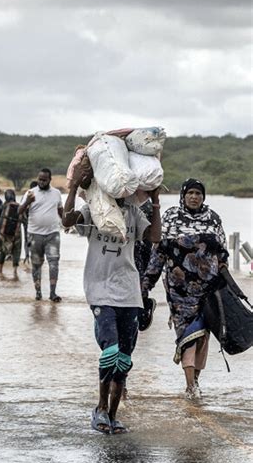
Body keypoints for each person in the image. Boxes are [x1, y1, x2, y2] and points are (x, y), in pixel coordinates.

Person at [62, 163, 161, 434]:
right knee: (110, 352)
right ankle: (100, 409)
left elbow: (154, 236)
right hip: (99, 289)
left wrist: (154, 201)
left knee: (124, 359)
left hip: (129, 292)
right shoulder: (93, 208)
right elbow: (67, 221)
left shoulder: (132, 212)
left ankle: (114, 415)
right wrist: (72, 187)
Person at [141, 178, 228, 401]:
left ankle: (195, 379)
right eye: (190, 192)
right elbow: (158, 251)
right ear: (183, 195)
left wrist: (226, 280)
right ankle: (190, 385)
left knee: (203, 337)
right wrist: (146, 284)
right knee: (188, 335)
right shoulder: (170, 217)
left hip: (208, 289)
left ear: (203, 197)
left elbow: (222, 252)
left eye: (198, 193)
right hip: (179, 292)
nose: (194, 197)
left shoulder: (213, 218)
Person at [19, 168, 63, 301]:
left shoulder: (56, 193)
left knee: (54, 263)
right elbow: (19, 211)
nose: (41, 182)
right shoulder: (30, 193)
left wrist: (67, 223)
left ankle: (53, 293)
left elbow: (61, 210)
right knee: (36, 264)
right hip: (34, 234)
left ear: (50, 180)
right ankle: (38, 292)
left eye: (44, 180)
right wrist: (28, 202)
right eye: (39, 179)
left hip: (53, 234)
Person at [0, 189, 22, 279]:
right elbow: (25, 220)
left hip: (3, 234)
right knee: (16, 252)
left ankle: (0, 270)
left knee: (3, 251)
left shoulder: (2, 207)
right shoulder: (20, 207)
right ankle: (15, 272)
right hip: (17, 234)